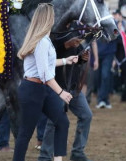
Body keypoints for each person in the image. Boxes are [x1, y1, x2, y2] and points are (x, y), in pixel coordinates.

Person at [13, 3, 78, 161]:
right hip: (33, 90)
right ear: (48, 18)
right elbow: (44, 74)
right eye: (53, 15)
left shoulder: (44, 40)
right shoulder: (42, 41)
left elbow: (45, 64)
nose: (55, 18)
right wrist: (61, 93)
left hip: (42, 89)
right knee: (25, 135)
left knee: (62, 123)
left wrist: (65, 61)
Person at [38, 21, 94, 161]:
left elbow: (74, 57)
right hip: (57, 83)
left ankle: (77, 152)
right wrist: (65, 45)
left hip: (73, 85)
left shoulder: (75, 30)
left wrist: (82, 58)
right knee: (54, 121)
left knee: (86, 115)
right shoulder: (54, 31)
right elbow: (48, 56)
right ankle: (45, 156)